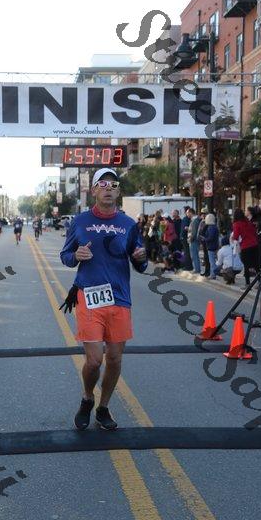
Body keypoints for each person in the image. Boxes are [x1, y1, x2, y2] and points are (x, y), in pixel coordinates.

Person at [60, 168, 147, 431]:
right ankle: (88, 398)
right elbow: (65, 256)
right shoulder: (80, 221)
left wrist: (141, 258)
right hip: (89, 296)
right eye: (103, 184)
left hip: (119, 298)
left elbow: (140, 262)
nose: (108, 189)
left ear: (118, 192)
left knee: (115, 359)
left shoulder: (129, 224)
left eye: (113, 185)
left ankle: (103, 407)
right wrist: (76, 256)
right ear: (94, 190)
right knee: (95, 360)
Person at [231, 207, 260, 289]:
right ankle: (260, 281)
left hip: (246, 246)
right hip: (255, 244)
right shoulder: (248, 221)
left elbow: (236, 237)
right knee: (256, 265)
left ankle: (247, 284)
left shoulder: (236, 224)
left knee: (246, 266)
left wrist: (233, 239)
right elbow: (254, 232)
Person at [202, 213, 219, 279]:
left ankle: (214, 273)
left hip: (211, 246)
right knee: (213, 260)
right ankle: (213, 274)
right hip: (215, 245)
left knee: (212, 261)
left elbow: (210, 237)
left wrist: (204, 239)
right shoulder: (214, 227)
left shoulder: (211, 227)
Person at [187, 208, 201, 274]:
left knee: (194, 255)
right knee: (194, 255)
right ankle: (196, 268)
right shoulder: (194, 220)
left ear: (190, 213)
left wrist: (190, 239)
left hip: (193, 240)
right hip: (194, 240)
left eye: (187, 213)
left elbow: (194, 232)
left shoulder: (195, 221)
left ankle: (196, 269)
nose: (187, 214)